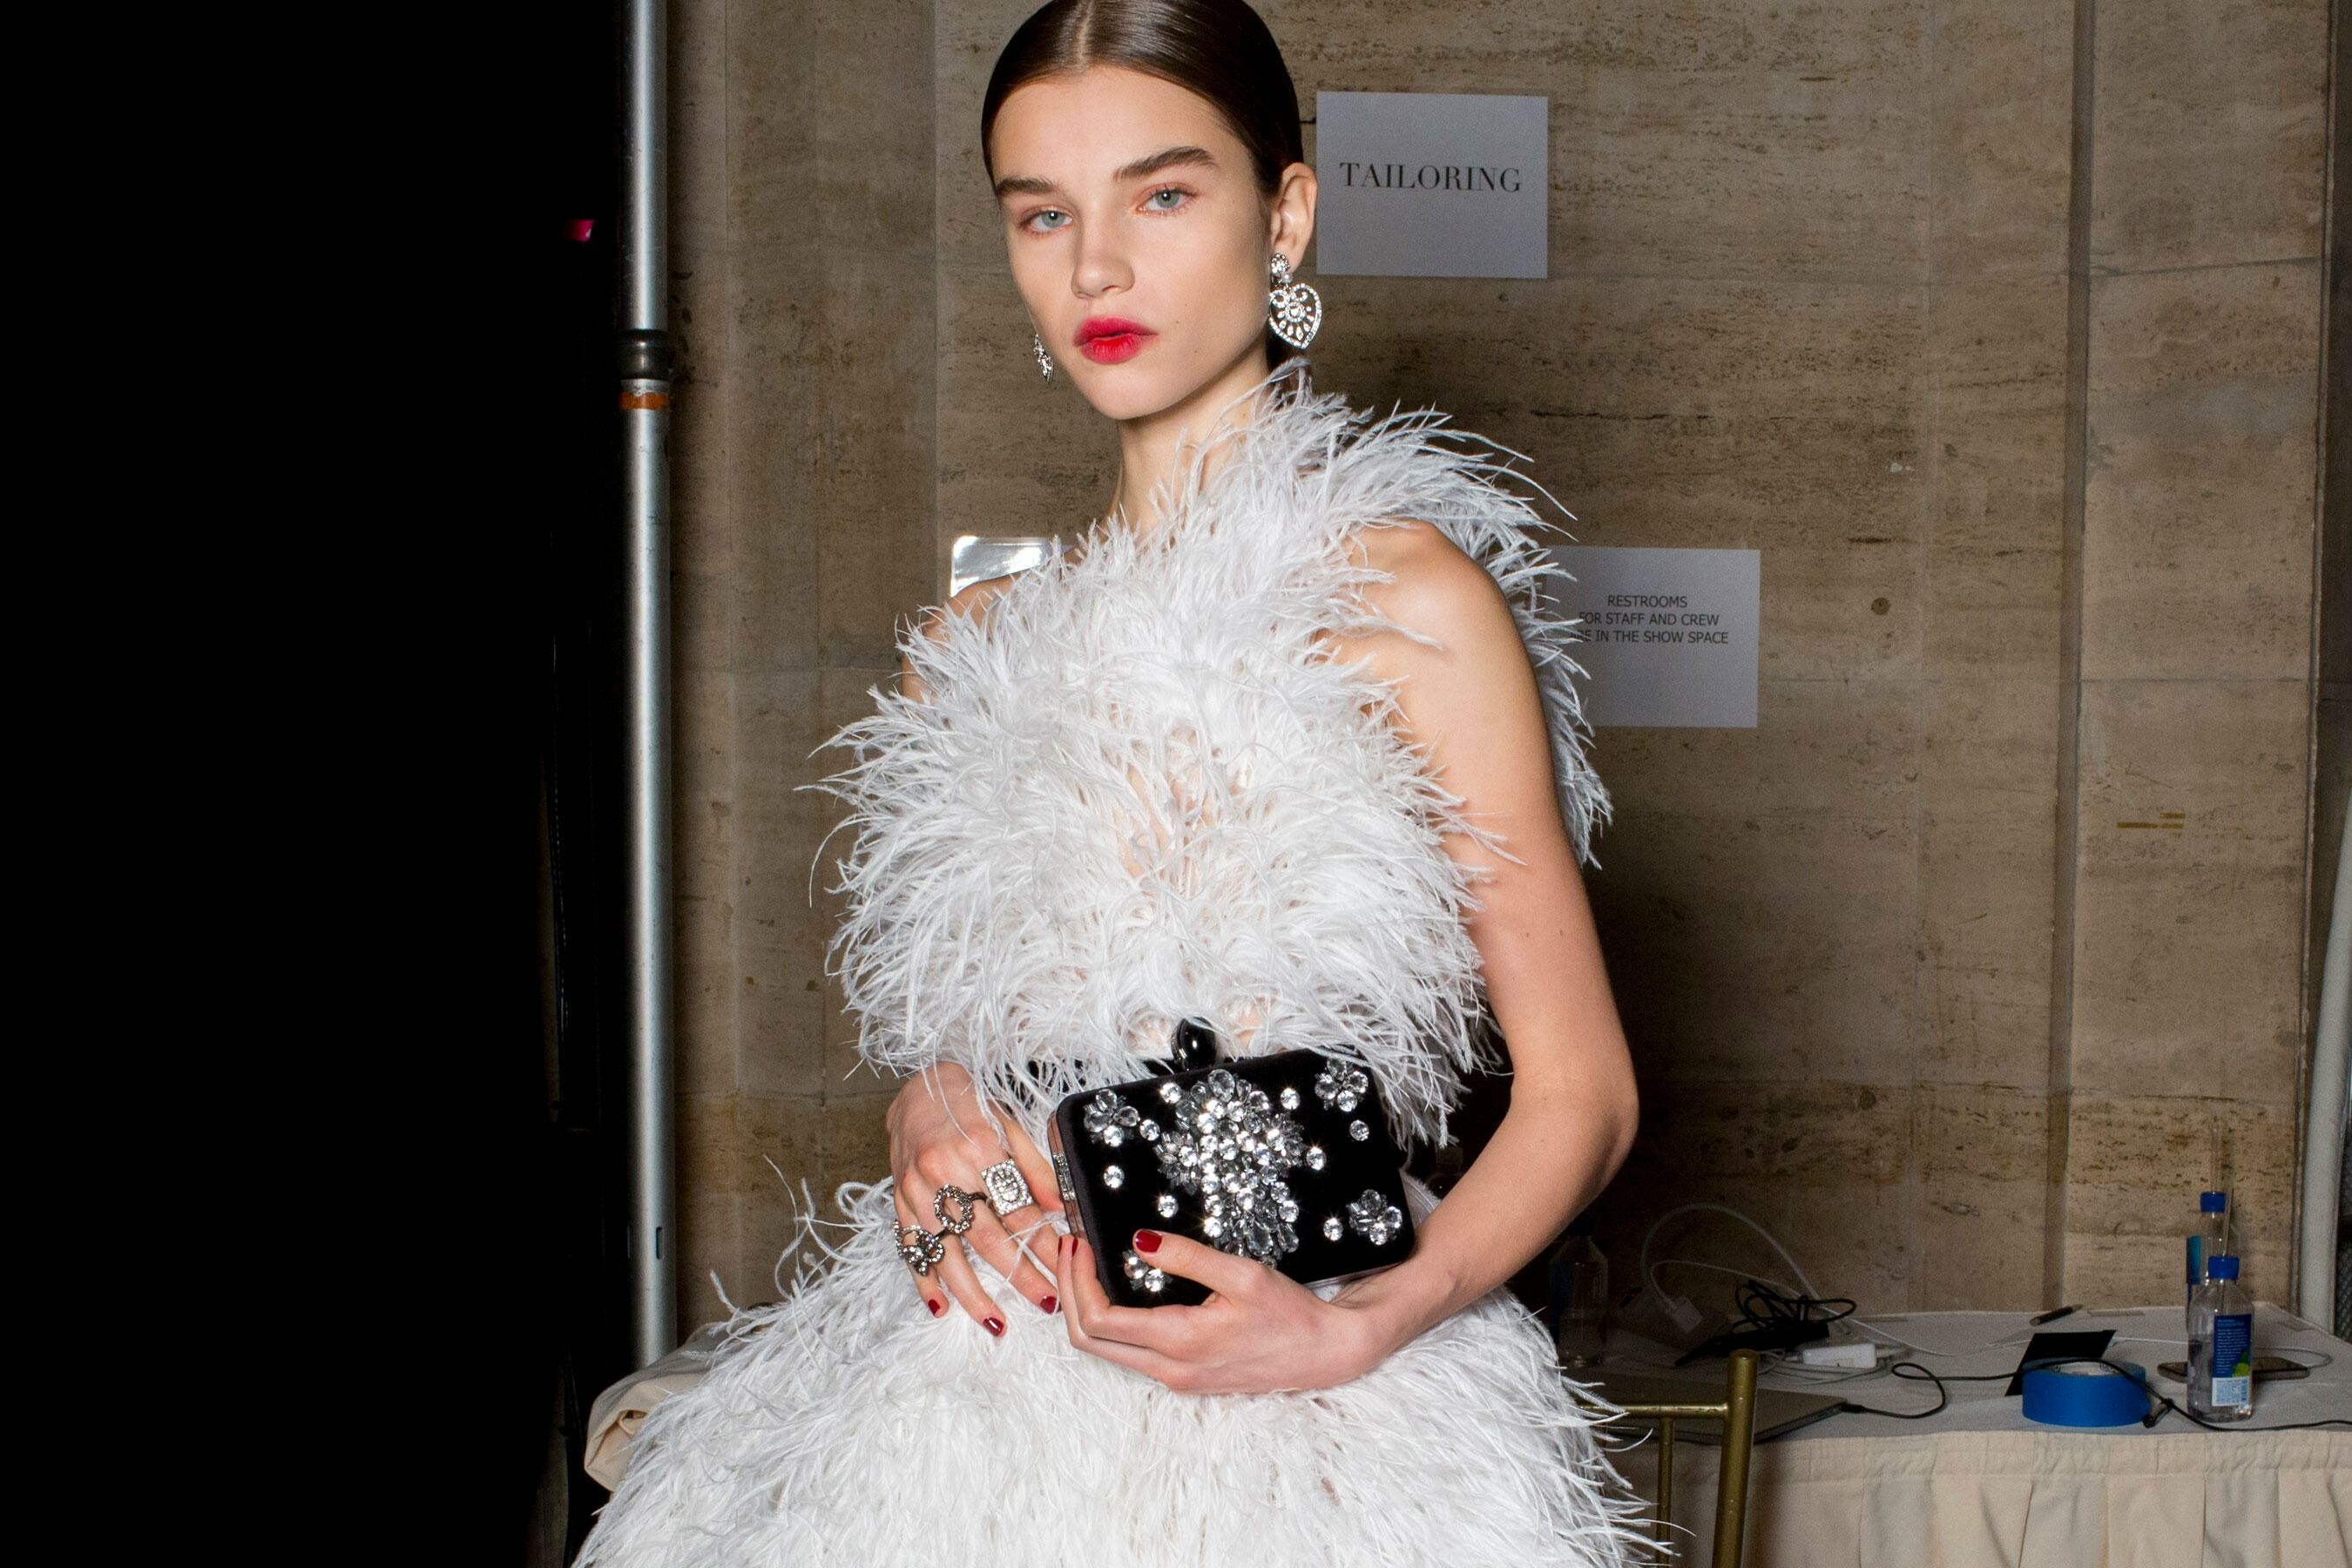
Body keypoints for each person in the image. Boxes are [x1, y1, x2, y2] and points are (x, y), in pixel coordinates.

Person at [578, 3, 1646, 1563]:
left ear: (1284, 215)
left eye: (1163, 194)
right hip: (976, 1397)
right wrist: (929, 1109)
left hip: (1316, 1396)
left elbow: (1583, 1095)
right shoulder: (971, 649)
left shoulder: (1414, 609)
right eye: (1042, 214)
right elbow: (978, 1049)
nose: (1095, 268)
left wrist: (1363, 1325)